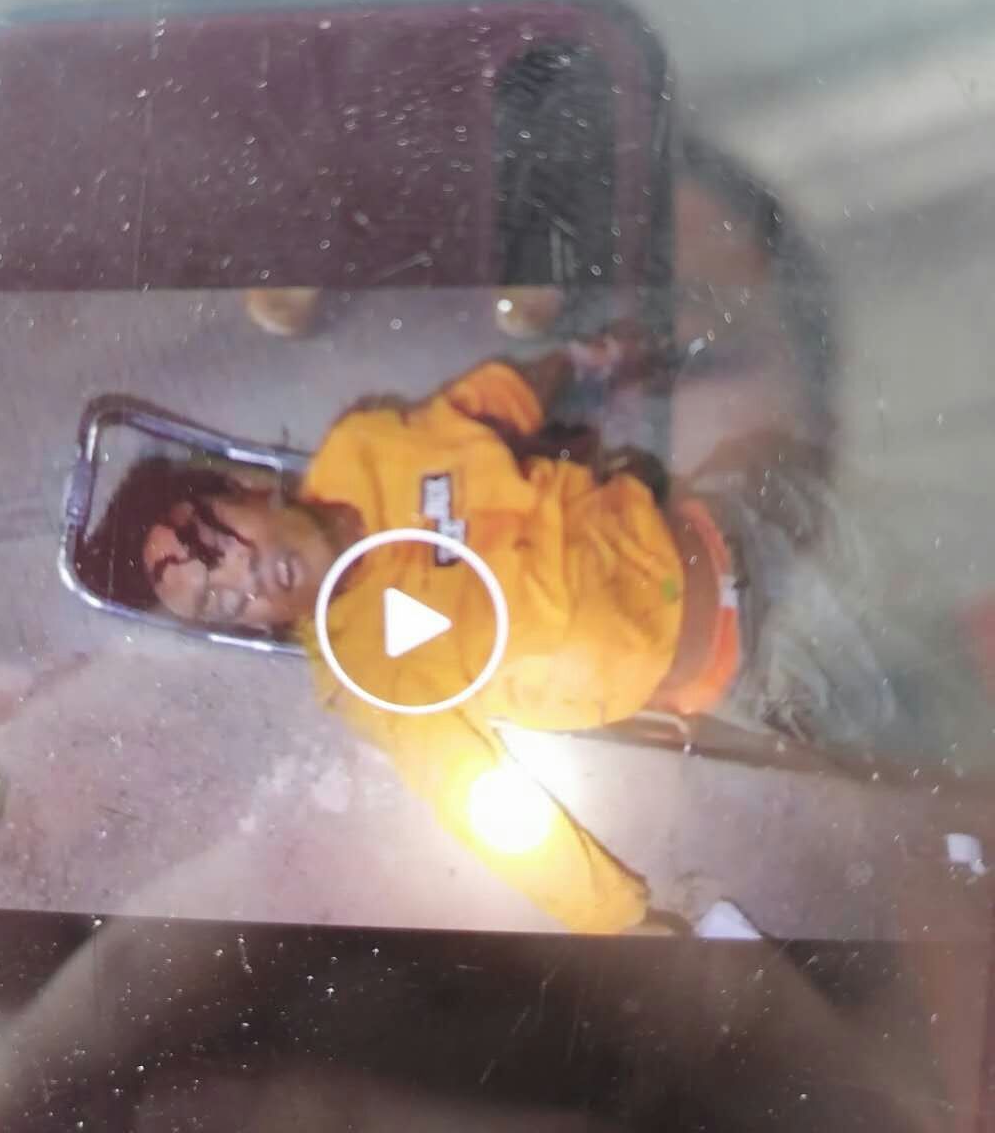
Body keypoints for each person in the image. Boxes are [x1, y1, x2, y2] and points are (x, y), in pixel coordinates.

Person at [77, 329, 994, 942]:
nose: (243, 585)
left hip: (738, 519)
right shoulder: (367, 674)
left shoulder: (363, 448)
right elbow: (477, 801)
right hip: (765, 660)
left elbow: (488, 404)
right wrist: (618, 918)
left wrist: (584, 360)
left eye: (218, 547)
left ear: (244, 490)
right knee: (944, 711)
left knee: (955, 546)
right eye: (216, 603)